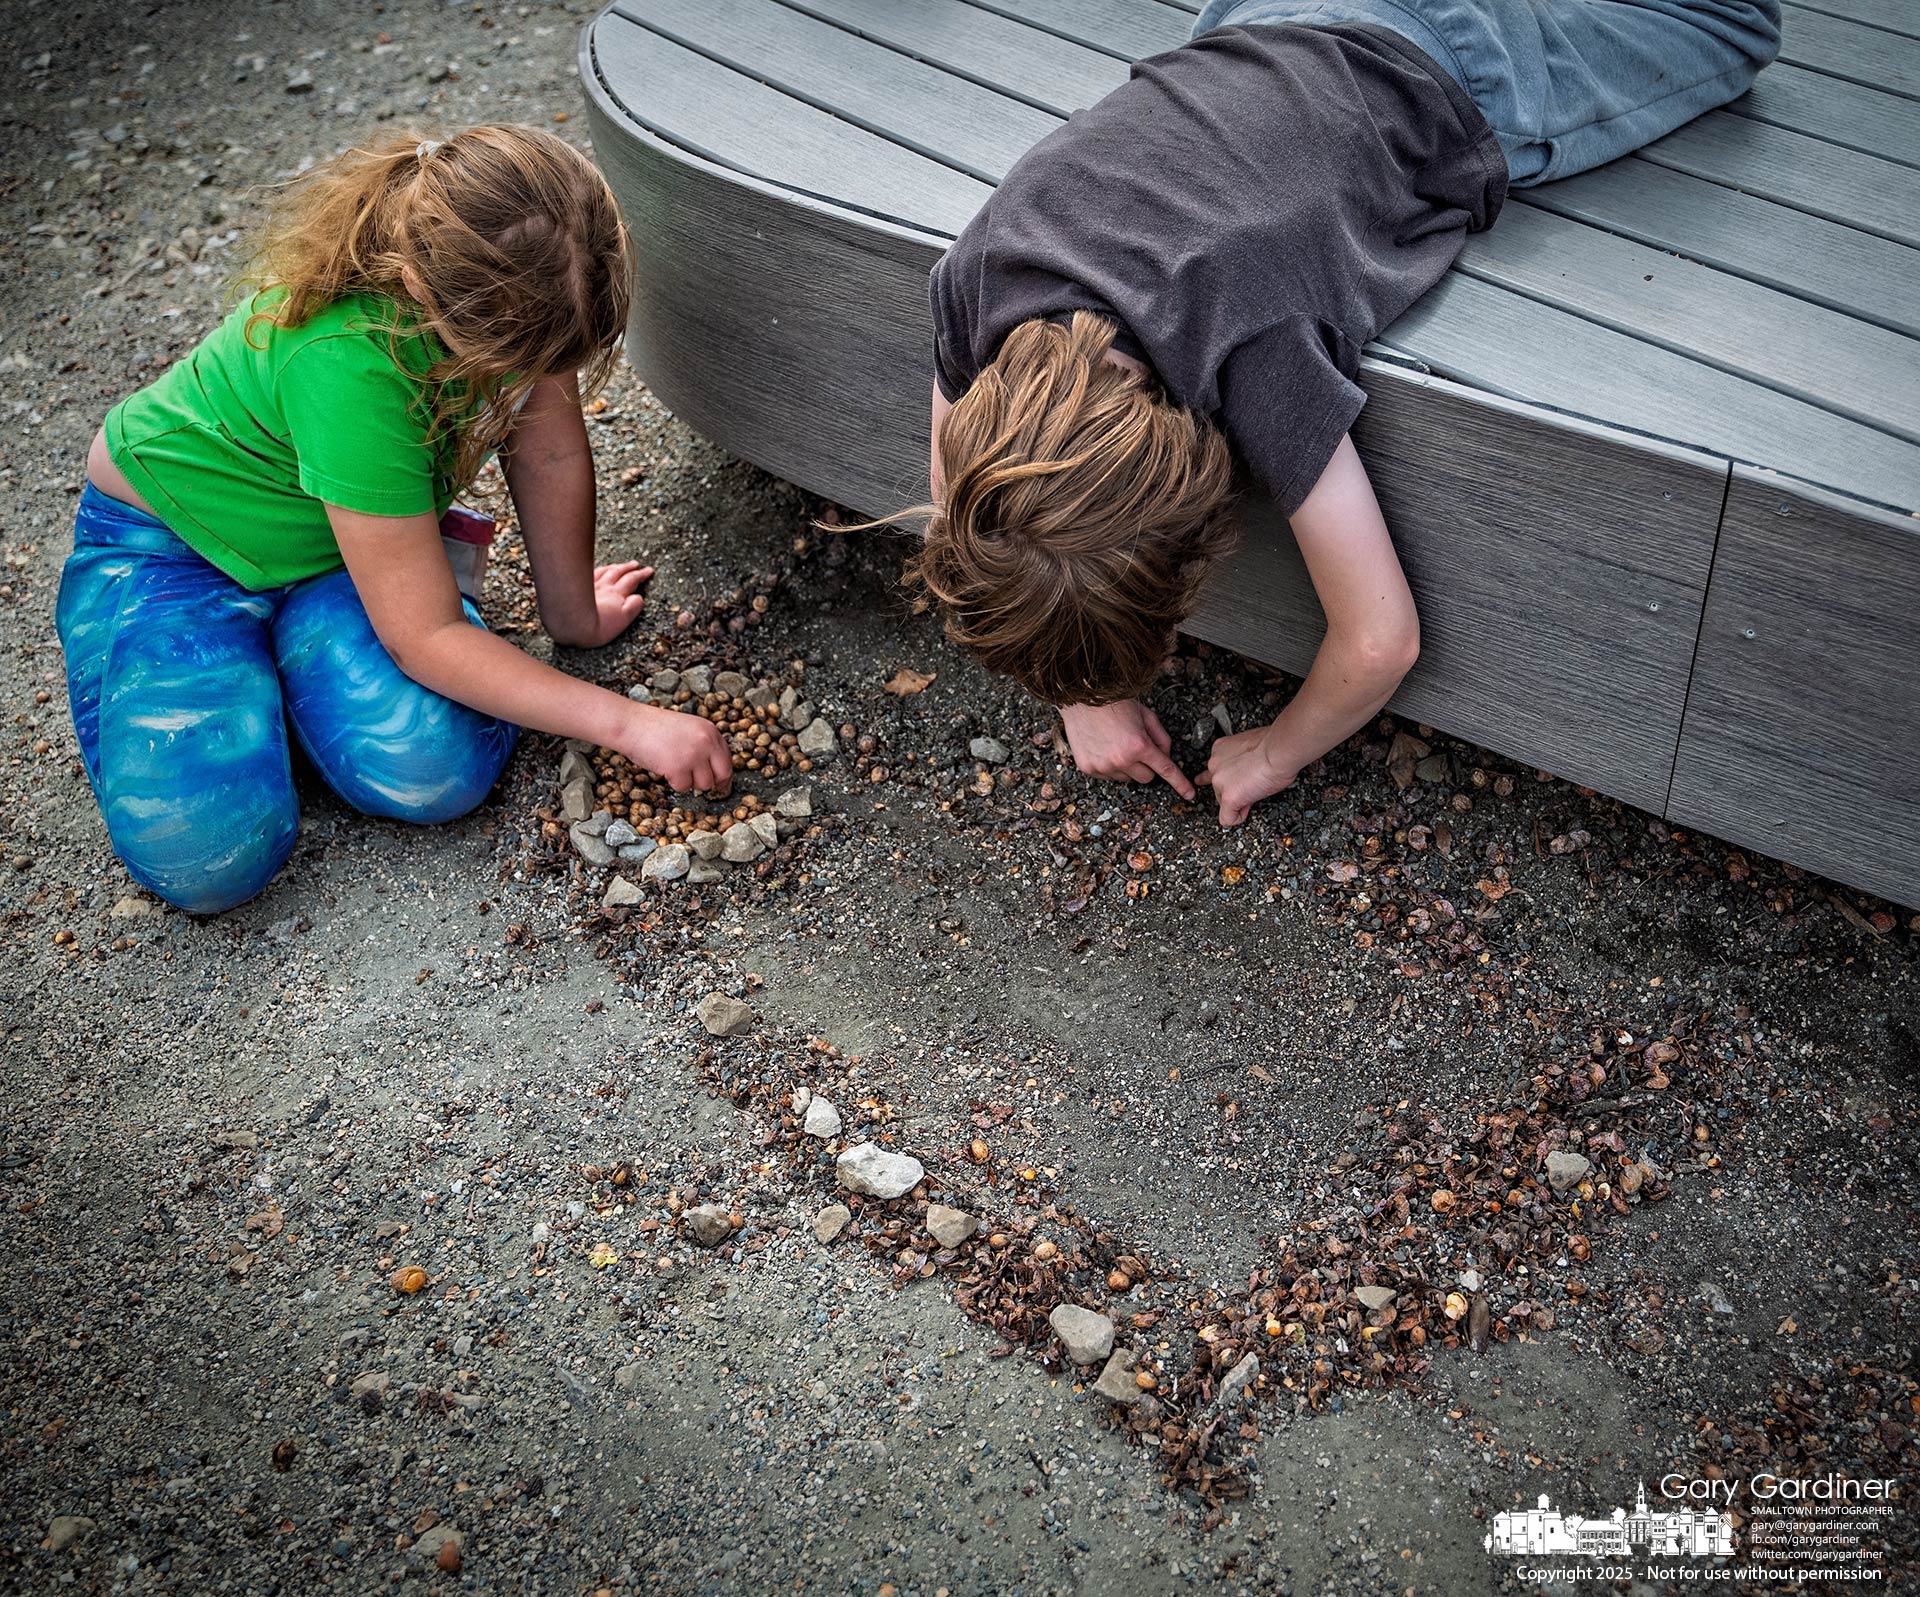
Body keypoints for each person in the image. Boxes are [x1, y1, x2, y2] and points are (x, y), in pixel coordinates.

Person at [911, 0, 1782, 825]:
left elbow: (1380, 641)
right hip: (1258, 34)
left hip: (1445, 60)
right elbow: (956, 497)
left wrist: (1272, 755)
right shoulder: (982, 267)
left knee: (1735, 24)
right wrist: (1083, 700)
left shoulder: (1249, 340)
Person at [58, 125, 732, 914]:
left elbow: (546, 453)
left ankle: (283, 665)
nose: (535, 384)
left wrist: (573, 615)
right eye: (516, 363)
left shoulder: (526, 278)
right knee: (210, 859)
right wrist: (627, 723)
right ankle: (235, 663)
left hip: (335, 553)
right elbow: (427, 639)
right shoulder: (347, 364)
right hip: (170, 548)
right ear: (418, 285)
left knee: (439, 765)